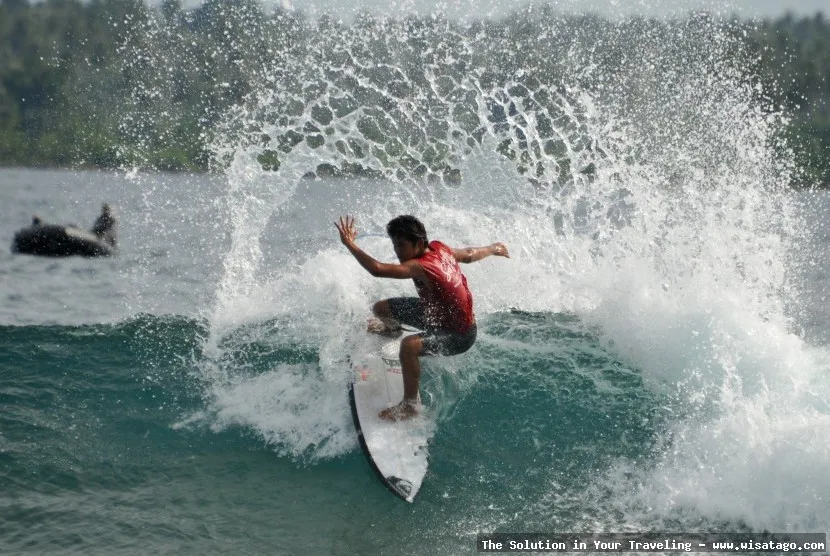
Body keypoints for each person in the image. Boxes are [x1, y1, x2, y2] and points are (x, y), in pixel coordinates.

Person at [335, 214, 509, 421]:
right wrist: (492, 248)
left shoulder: (420, 266)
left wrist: (350, 243)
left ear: (418, 243)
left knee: (409, 346)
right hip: (435, 313)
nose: (397, 251)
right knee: (381, 309)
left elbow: (377, 269)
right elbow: (469, 254)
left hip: (460, 335)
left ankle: (409, 407)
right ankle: (392, 330)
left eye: (401, 245)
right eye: (394, 244)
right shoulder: (440, 248)